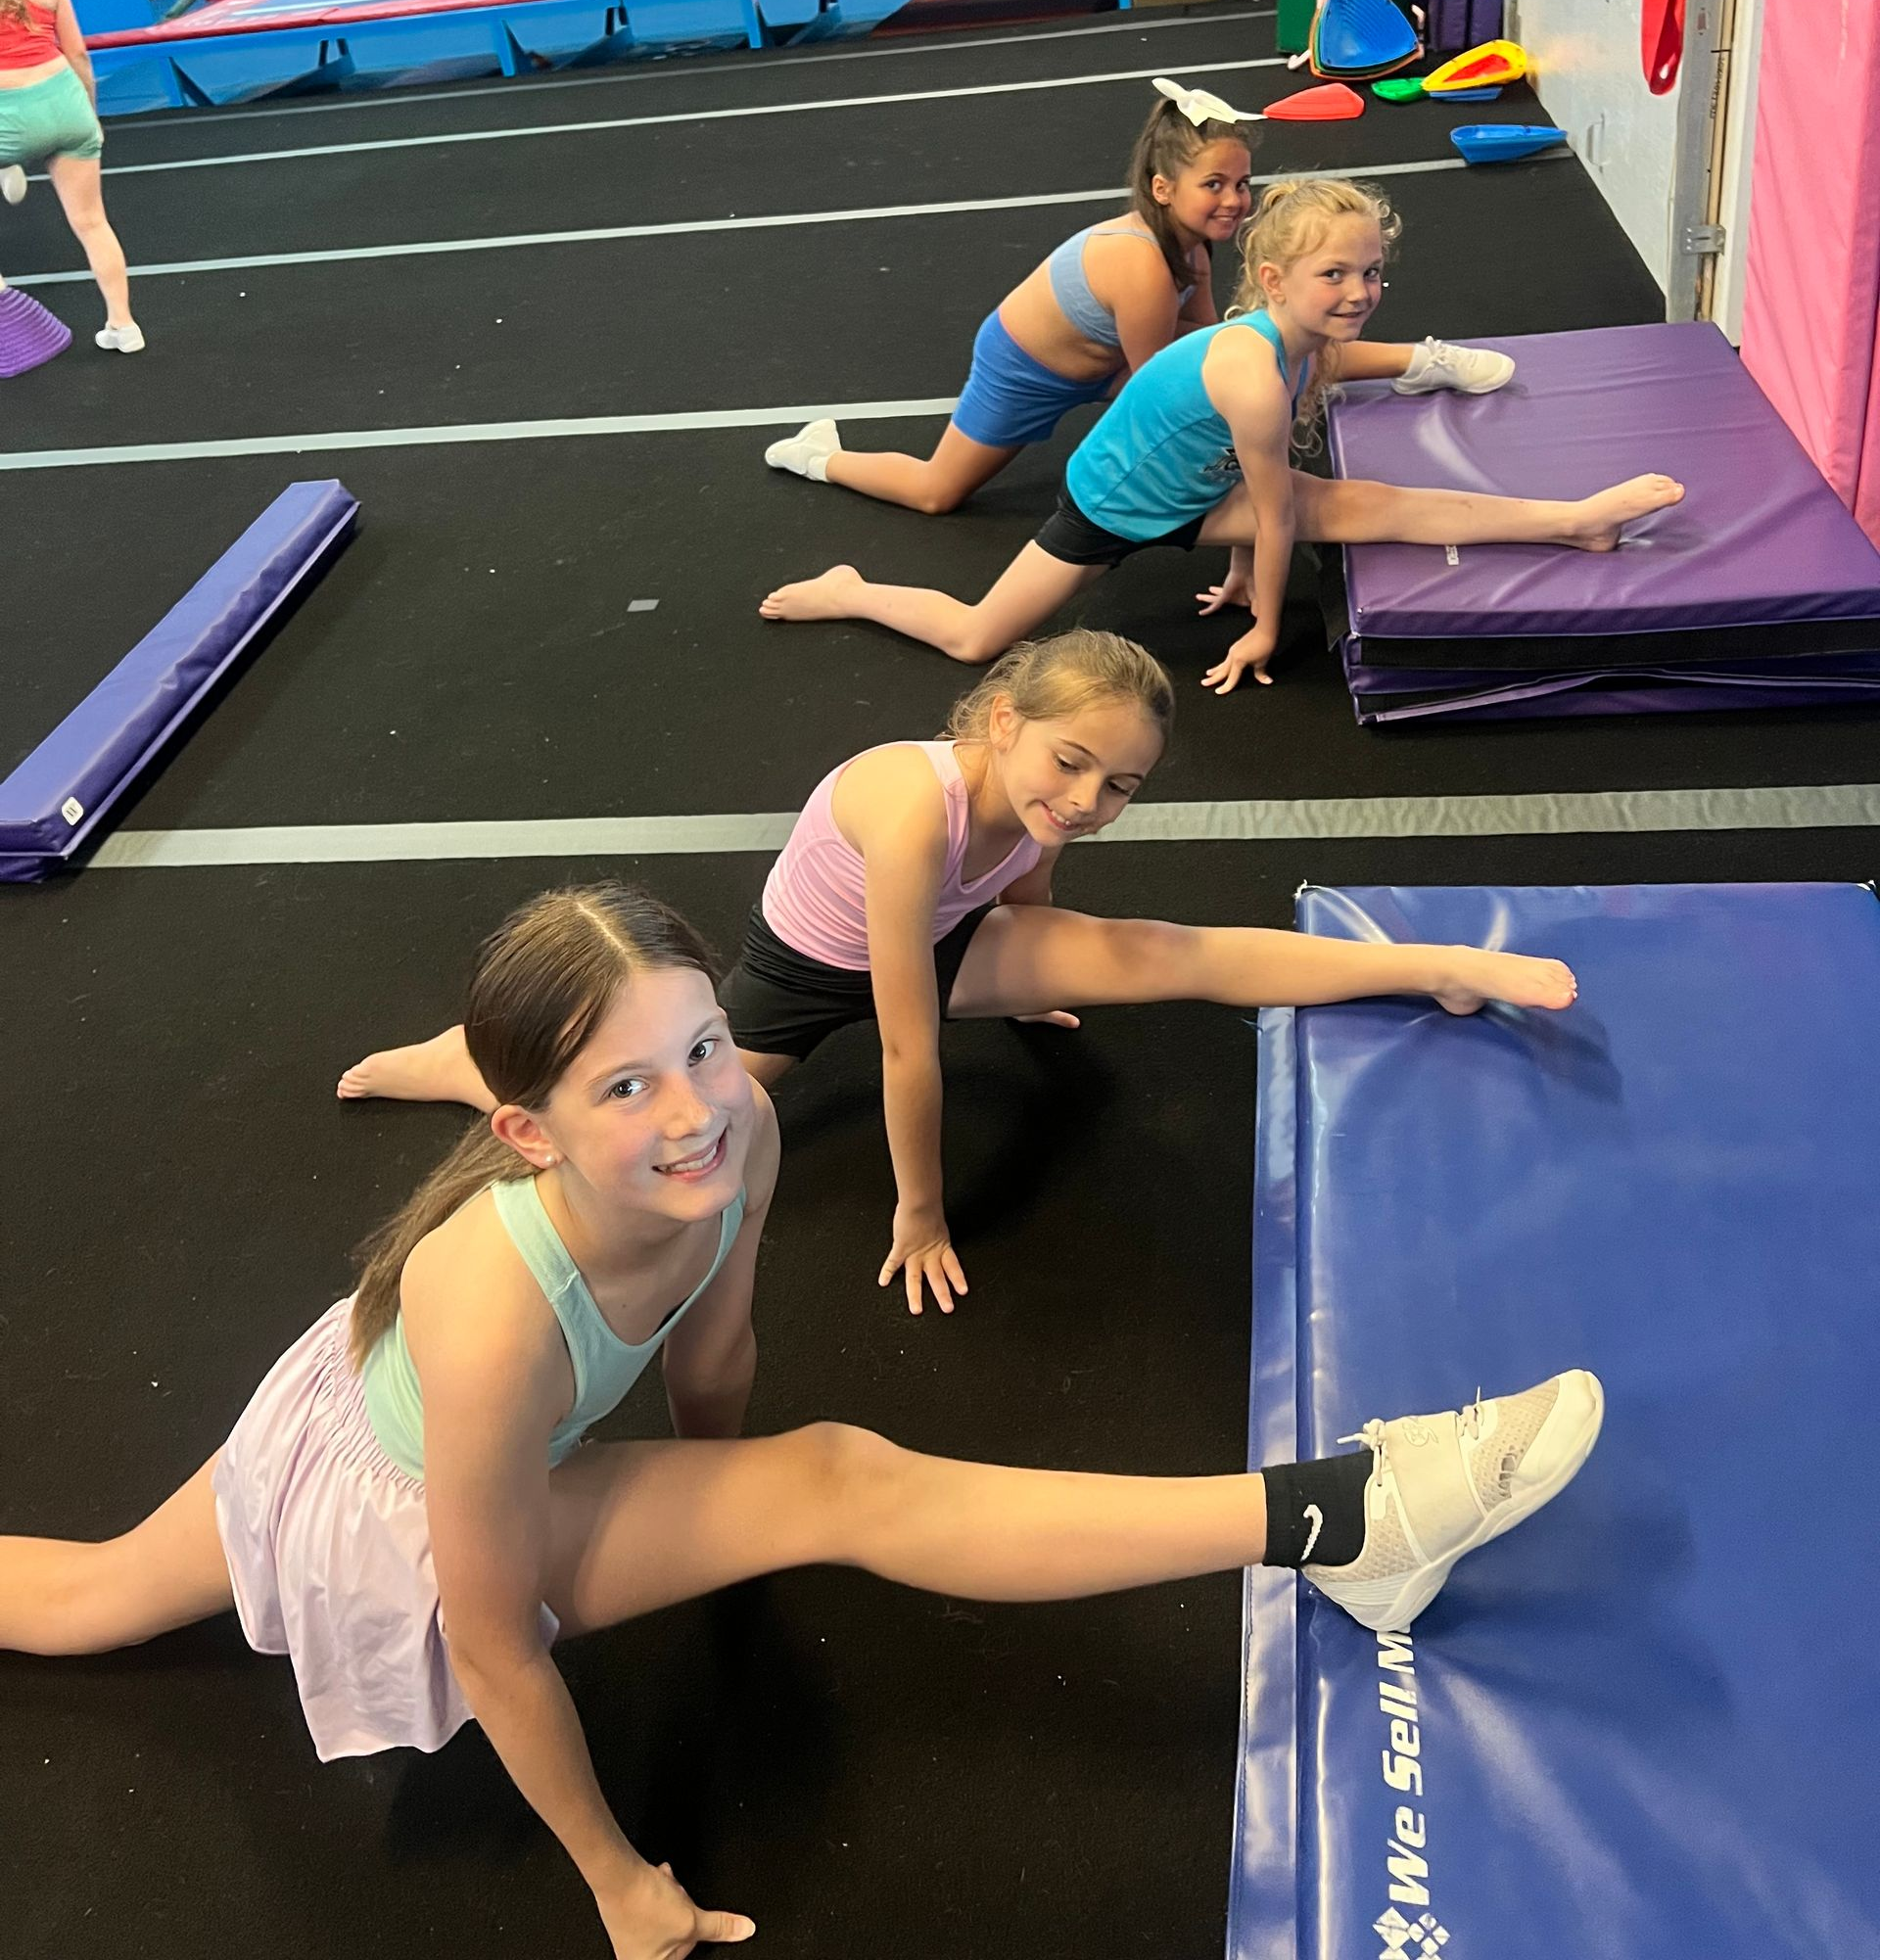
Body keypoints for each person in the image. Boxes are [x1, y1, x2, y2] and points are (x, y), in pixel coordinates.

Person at [0, 880, 1606, 1959]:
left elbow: (716, 1345)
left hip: (436, 1413)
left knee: (806, 1476)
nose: (691, 1107)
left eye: (698, 1046)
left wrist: (716, 1513)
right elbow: (491, 1643)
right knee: (80, 1604)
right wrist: (623, 1884)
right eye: (624, 1087)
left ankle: (1344, 1522)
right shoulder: (486, 1318)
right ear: (523, 1128)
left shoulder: (738, 1130)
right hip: (392, 1480)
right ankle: (1349, 1516)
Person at [336, 635, 1580, 1317]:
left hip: (945, 934)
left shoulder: (1039, 805)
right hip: (805, 968)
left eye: (1123, 786)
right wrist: (919, 1209)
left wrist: (1026, 966)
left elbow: (1023, 871)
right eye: (1073, 763)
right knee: (686, 1103)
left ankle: (1440, 964)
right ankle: (451, 1057)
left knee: (1163, 949)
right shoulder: (913, 807)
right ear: (1001, 721)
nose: (1089, 799)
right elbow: (905, 1044)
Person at [759, 177, 1683, 694]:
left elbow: (1261, 509)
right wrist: (1265, 628)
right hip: (1110, 507)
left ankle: (1574, 522)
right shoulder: (1251, 372)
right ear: (1275, 280)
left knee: (1380, 505)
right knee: (974, 639)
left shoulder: (1304, 342)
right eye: (1336, 274)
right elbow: (1275, 517)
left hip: (1193, 491)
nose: (1360, 292)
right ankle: (853, 589)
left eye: (1370, 272)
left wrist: (1240, 562)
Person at [762, 78, 1258, 514]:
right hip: (1024, 368)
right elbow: (1155, 389)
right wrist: (1223, 469)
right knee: (936, 493)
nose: (1234, 200)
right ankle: (819, 455)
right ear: (1163, 189)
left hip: (1102, 358)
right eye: (1213, 185)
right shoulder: (1144, 265)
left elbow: (1204, 342)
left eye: (1242, 183)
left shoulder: (1192, 250)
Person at [0, 0, 142, 351]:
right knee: (92, 222)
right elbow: (78, 54)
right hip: (65, 100)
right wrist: (90, 116)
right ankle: (124, 326)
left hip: (8, 112)